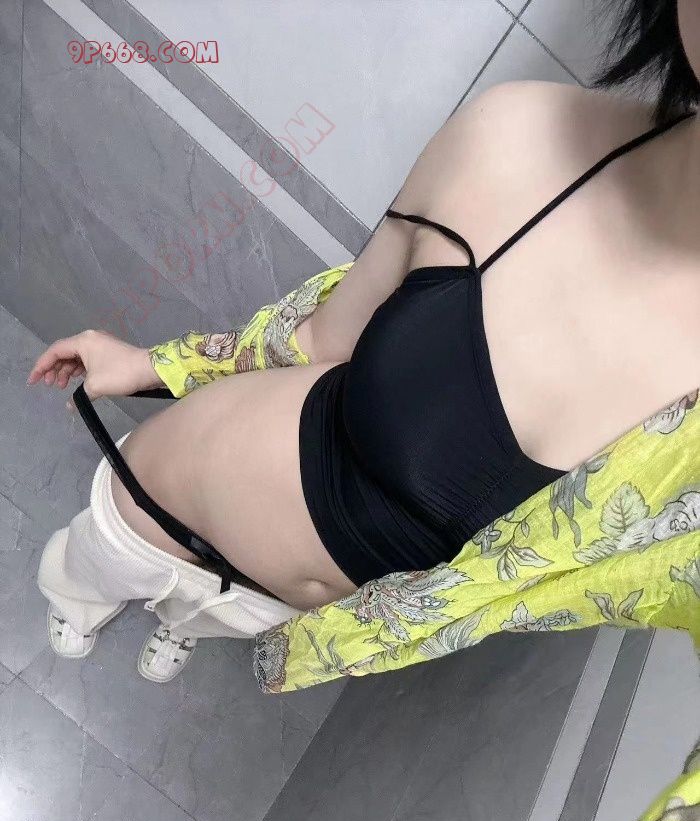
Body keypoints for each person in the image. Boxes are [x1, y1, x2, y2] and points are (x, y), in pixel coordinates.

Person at [29, 0, 698, 686]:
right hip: (165, 495)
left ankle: (186, 614)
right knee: (89, 570)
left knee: (204, 612)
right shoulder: (517, 138)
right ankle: (78, 596)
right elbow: (318, 336)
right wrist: (154, 367)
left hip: (281, 609)